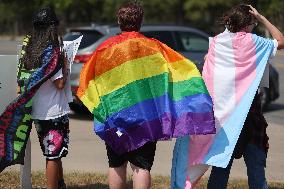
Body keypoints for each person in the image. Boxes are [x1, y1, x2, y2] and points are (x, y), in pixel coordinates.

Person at [77, 2, 215, 189]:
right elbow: (181, 69)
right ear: (141, 21)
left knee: (116, 163)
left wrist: (99, 107)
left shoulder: (105, 49)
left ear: (119, 21)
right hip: (146, 119)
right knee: (141, 166)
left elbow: (87, 81)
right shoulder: (154, 47)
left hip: (114, 118)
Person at [207, 4, 284, 189]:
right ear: (249, 23)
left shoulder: (217, 42)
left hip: (225, 117)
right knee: (256, 169)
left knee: (220, 168)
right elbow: (280, 40)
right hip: (250, 113)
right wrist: (261, 17)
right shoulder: (253, 41)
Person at [18, 7, 71, 189]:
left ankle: (61, 183)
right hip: (54, 112)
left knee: (53, 151)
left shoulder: (29, 51)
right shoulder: (52, 51)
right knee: (53, 156)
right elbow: (60, 84)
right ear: (52, 27)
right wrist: (65, 65)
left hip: (37, 111)